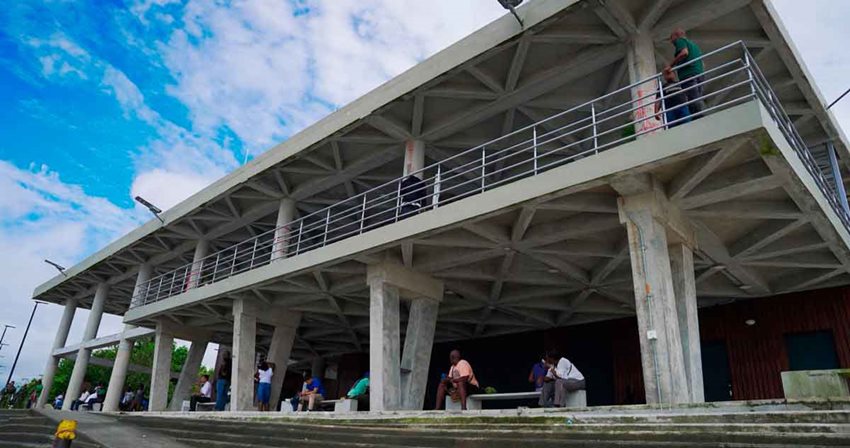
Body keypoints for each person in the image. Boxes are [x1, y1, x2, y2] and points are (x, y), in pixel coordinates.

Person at [666, 28, 704, 118]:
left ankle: (697, 119)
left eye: (671, 38)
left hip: (688, 74)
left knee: (692, 99)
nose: (671, 41)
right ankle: (699, 116)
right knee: (697, 97)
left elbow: (684, 53)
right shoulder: (694, 45)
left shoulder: (680, 40)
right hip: (699, 73)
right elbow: (702, 62)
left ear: (676, 35)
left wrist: (670, 66)